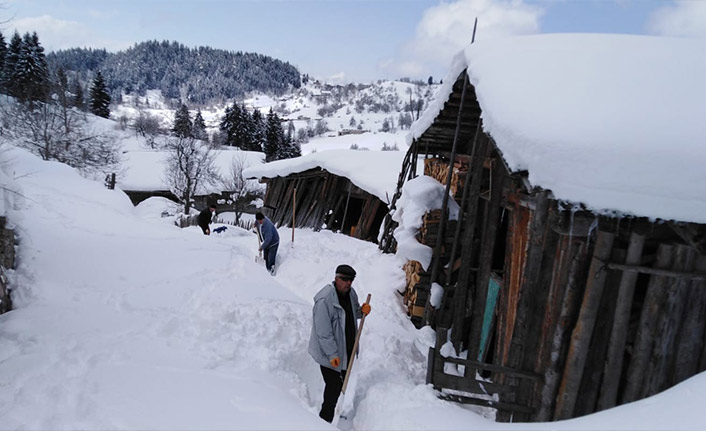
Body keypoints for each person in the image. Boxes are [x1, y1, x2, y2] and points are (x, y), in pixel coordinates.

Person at [308, 264, 371, 423]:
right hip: (330, 355)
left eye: (351, 280)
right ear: (336, 279)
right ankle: (324, 421)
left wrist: (361, 311)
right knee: (333, 389)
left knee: (338, 387)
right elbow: (323, 333)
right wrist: (332, 355)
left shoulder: (351, 294)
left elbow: (352, 313)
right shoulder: (325, 300)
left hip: (345, 353)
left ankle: (332, 415)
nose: (348, 283)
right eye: (344, 279)